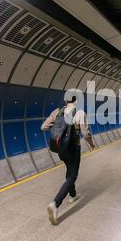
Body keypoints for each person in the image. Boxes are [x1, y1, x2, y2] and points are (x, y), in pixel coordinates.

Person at [41, 96, 96, 225]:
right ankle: (55, 203)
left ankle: (72, 195)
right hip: (73, 148)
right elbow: (85, 132)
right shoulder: (80, 112)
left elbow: (43, 127)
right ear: (76, 101)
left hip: (61, 148)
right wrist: (92, 144)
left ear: (65, 101)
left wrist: (59, 129)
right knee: (72, 175)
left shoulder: (57, 111)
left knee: (69, 170)